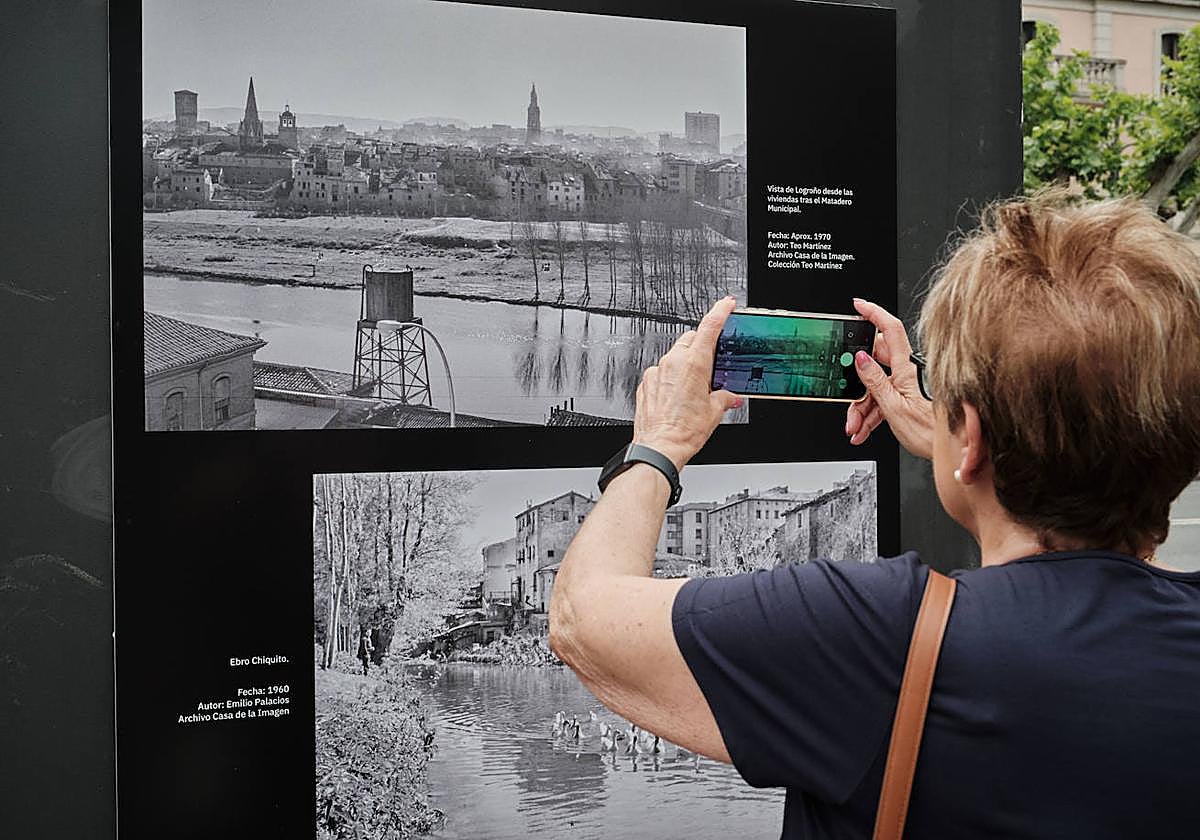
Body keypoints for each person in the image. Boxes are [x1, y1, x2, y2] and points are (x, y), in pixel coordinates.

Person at [549, 194, 1200, 838]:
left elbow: (582, 617)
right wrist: (952, 437)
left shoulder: (882, 636)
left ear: (968, 437)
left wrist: (659, 446)